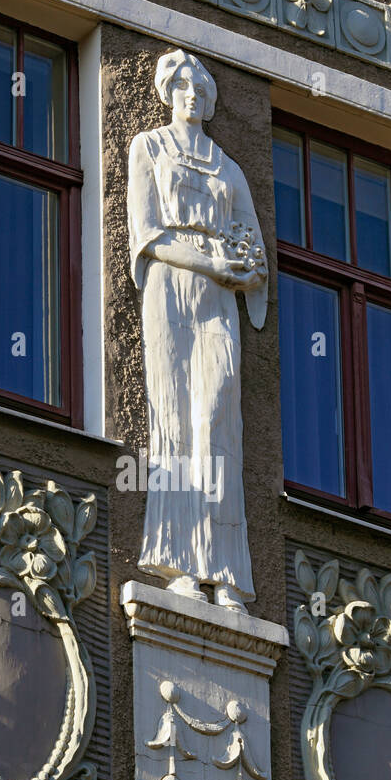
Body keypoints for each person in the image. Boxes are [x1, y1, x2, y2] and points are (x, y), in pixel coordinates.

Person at [127, 48, 268, 612]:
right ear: (168, 92)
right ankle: (182, 564)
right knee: (176, 420)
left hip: (217, 302)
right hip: (170, 289)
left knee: (218, 420)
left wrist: (243, 268)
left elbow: (255, 253)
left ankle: (226, 569)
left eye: (199, 88)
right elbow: (148, 235)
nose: (191, 94)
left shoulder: (228, 167)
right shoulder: (149, 148)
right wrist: (209, 261)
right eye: (181, 85)